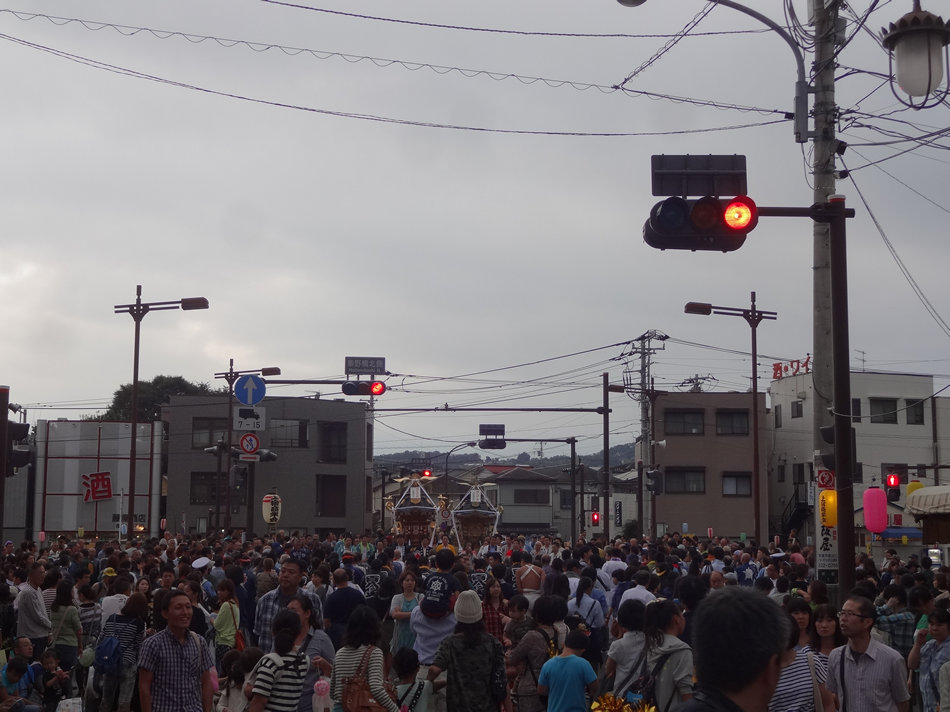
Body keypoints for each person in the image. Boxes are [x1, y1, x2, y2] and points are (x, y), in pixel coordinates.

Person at [825, 595, 910, 712]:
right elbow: (835, 696)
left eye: (850, 614)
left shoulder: (892, 659)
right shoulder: (836, 656)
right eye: (842, 613)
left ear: (867, 622)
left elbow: (902, 703)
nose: (843, 619)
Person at [427, 590, 506, 712]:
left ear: (458, 615)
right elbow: (501, 678)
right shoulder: (493, 642)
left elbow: (435, 669)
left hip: (458, 707)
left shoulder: (450, 642)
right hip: (489, 706)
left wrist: (428, 682)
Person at [138, 589, 214, 712]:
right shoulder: (152, 644)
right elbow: (144, 686)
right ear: (165, 613)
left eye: (188, 607)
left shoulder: (199, 642)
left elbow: (206, 681)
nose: (185, 612)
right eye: (178, 608)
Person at [329, 605, 399, 712]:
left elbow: (332, 691)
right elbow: (376, 689)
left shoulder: (339, 653)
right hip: (361, 708)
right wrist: (395, 709)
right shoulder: (374, 653)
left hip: (339, 708)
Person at [247, 609, 308, 712]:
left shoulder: (270, 664)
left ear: (273, 631)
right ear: (299, 633)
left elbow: (258, 703)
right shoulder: (304, 661)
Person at [254, 560, 321, 653]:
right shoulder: (265, 600)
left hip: (303, 659)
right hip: (269, 658)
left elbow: (319, 630)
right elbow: (257, 633)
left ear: (300, 577)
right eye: (283, 571)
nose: (285, 575)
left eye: (291, 572)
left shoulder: (313, 599)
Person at [101, 592, 149, 712]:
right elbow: (138, 645)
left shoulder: (112, 618)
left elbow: (103, 637)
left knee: (107, 698)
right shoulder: (138, 623)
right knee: (124, 700)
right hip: (128, 661)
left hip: (110, 661)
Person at [644, 598, 694, 711]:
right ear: (676, 619)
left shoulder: (650, 644)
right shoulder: (682, 650)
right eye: (682, 615)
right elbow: (686, 691)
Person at [286, 595, 334, 712]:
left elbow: (335, 673)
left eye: (294, 611)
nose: (289, 615)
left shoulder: (321, 639)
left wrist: (326, 666)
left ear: (307, 613)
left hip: (310, 705)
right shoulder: (282, 638)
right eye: (287, 611)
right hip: (284, 703)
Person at [536, 629, 597, 712]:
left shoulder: (548, 665)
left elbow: (541, 691)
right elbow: (594, 687)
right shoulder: (583, 664)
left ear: (564, 644)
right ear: (583, 649)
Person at [908, 607, 950, 712]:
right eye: (931, 624)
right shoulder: (929, 645)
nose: (934, 628)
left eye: (939, 625)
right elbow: (912, 665)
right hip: (929, 705)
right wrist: (918, 644)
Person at [605, 599, 647, 700]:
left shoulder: (618, 645)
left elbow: (608, 670)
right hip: (642, 697)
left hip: (621, 696)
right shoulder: (651, 643)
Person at [47, 579, 82, 697]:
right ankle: (68, 700)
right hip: (69, 646)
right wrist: (80, 646)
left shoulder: (53, 608)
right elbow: (79, 630)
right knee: (67, 676)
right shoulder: (71, 609)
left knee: (57, 675)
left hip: (55, 646)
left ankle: (57, 698)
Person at [18, 564, 50, 660]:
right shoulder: (28, 592)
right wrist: (51, 625)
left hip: (41, 634)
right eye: (40, 573)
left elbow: (43, 612)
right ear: (31, 575)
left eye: (44, 573)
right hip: (32, 636)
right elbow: (38, 616)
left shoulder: (38, 589)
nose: (43, 576)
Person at [389, 569, 421, 654]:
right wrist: (414, 613)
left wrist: (401, 614)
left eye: (412, 580)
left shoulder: (420, 597)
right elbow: (394, 615)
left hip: (416, 637)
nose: (410, 582)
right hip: (400, 636)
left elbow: (422, 615)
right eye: (407, 580)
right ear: (401, 583)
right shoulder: (397, 598)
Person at [213, 579, 240, 673]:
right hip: (231, 641)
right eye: (219, 590)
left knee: (220, 671)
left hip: (223, 641)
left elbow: (217, 625)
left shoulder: (226, 605)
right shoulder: (235, 604)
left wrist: (211, 619)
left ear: (229, 591)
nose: (219, 592)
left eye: (222, 590)